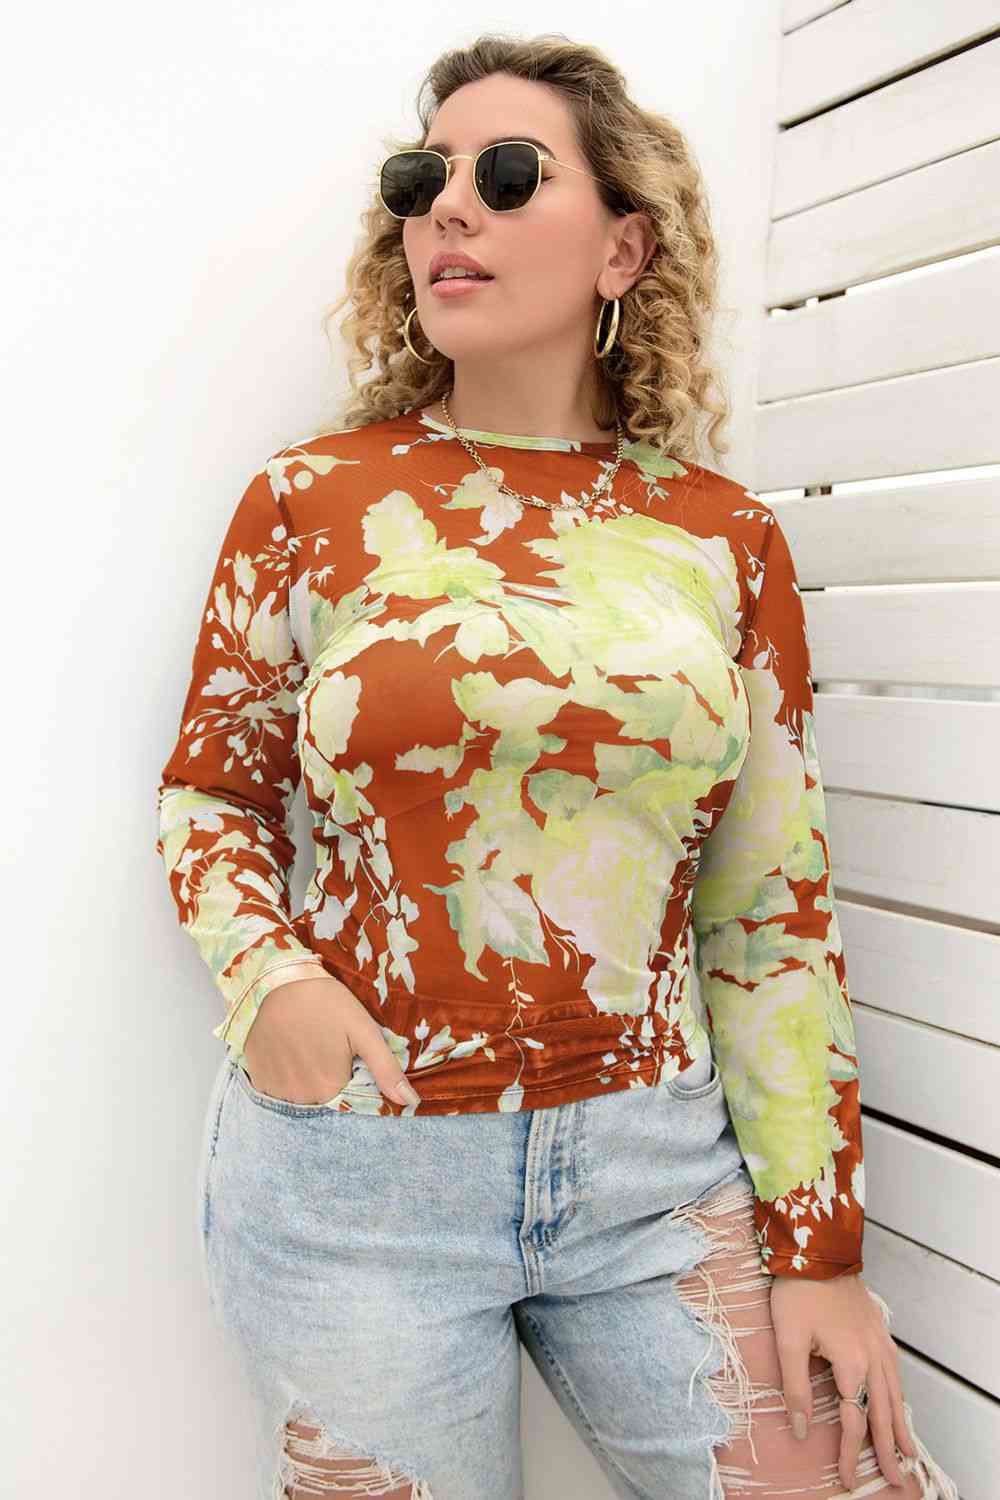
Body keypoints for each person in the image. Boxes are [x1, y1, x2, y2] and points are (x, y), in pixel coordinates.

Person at [156, 31, 961, 1500]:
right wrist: (269, 981)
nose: (449, 208)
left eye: (510, 174)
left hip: (657, 1173)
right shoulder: (313, 501)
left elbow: (769, 910)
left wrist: (820, 1248)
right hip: (360, 1183)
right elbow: (212, 790)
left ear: (623, 248)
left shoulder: (725, 538)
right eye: (424, 181)